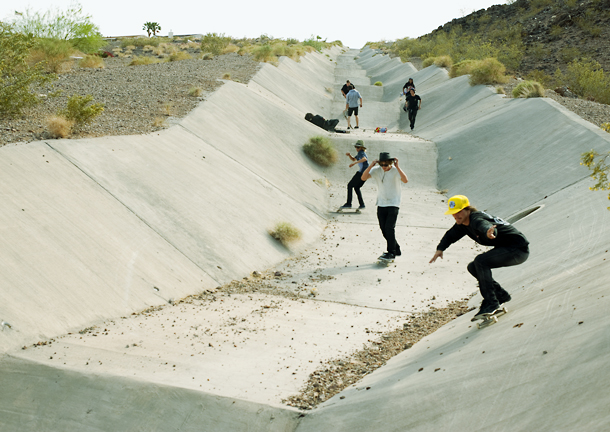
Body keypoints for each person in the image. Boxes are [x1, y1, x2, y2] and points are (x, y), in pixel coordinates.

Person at [429, 195, 530, 320]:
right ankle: (500, 295)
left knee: (480, 261)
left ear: (467, 210)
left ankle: (491, 302)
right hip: (507, 249)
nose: (456, 216)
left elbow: (484, 225)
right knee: (473, 267)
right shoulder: (463, 223)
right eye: (453, 213)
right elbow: (450, 235)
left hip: (518, 250)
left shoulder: (476, 218)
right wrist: (440, 249)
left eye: (459, 212)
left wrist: (489, 231)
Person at [361, 152, 409, 260]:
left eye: (386, 165)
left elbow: (405, 180)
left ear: (390, 163)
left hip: (393, 203)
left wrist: (398, 166)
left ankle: (391, 252)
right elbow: (363, 178)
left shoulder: (396, 171)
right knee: (383, 229)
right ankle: (396, 248)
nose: (384, 167)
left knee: (389, 228)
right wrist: (371, 166)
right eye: (381, 165)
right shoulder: (376, 170)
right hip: (381, 203)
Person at [341, 140, 369, 210]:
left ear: (362, 148)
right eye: (356, 147)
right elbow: (353, 159)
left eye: (358, 147)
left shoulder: (362, 153)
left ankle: (348, 203)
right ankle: (362, 204)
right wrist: (349, 155)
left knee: (350, 185)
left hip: (362, 173)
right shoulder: (359, 153)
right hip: (365, 173)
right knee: (356, 187)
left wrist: (354, 163)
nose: (357, 148)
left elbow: (364, 159)